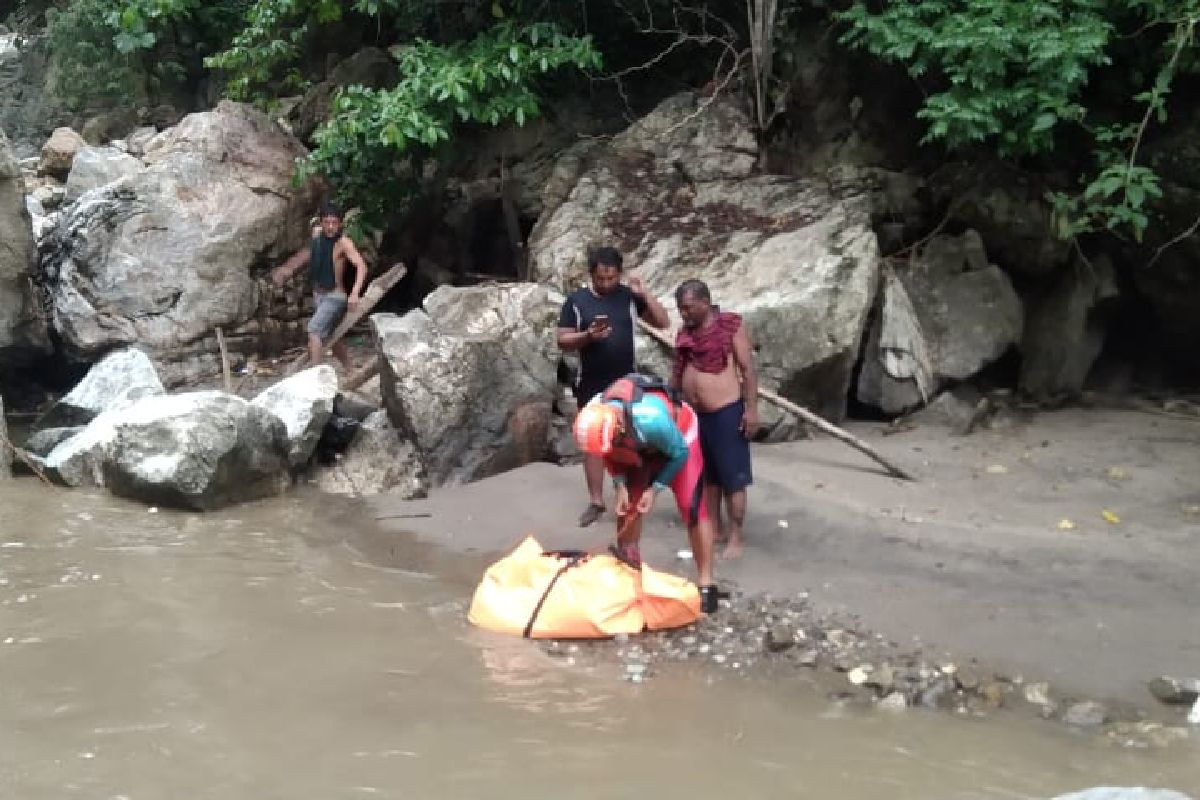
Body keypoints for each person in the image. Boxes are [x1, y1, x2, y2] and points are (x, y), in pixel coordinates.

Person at [572, 374, 722, 613]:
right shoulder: (594, 416)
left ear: (618, 427)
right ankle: (630, 574)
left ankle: (706, 583)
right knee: (628, 506)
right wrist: (619, 484)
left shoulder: (650, 420)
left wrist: (655, 489)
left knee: (690, 505)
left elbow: (679, 453)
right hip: (634, 444)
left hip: (679, 436)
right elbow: (608, 454)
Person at [556, 247, 669, 527]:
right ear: (591, 275)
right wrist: (588, 337)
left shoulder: (628, 298)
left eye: (611, 278)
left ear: (619, 274)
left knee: (628, 435)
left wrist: (644, 294)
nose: (606, 284)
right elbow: (562, 339)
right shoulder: (577, 301)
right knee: (591, 442)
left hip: (625, 382)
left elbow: (663, 321)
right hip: (590, 381)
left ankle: (630, 492)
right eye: (600, 279)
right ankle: (596, 501)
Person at [671, 279, 759, 560]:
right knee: (708, 477)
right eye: (681, 309)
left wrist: (752, 410)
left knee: (734, 478)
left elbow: (748, 370)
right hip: (697, 416)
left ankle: (736, 535)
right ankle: (717, 527)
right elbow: (678, 372)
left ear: (705, 302)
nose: (684, 314)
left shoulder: (729, 327)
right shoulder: (685, 334)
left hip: (726, 411)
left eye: (688, 308)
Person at [271, 202, 369, 372]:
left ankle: (315, 375)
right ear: (321, 222)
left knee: (314, 331)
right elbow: (308, 254)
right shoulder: (317, 235)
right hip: (319, 295)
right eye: (327, 222)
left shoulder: (344, 243)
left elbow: (361, 265)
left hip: (335, 297)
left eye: (334, 223)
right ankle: (351, 370)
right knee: (331, 334)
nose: (330, 227)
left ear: (340, 224)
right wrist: (288, 269)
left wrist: (355, 293)